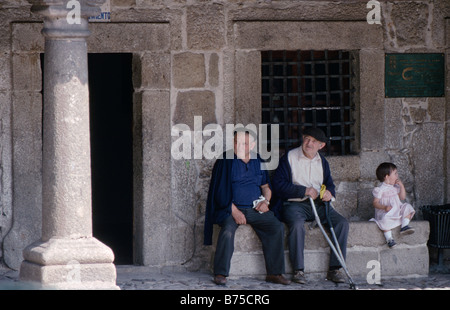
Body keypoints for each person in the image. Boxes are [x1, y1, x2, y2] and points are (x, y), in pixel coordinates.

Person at [204, 128, 290, 286]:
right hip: (230, 209)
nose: (238, 146)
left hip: (255, 208)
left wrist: (266, 202)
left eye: (243, 143)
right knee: (227, 231)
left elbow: (266, 186)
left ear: (252, 145)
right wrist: (235, 211)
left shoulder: (258, 160)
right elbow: (219, 192)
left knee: (276, 227)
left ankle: (274, 273)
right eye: (236, 142)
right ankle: (221, 273)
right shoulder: (225, 160)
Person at [271, 127, 349, 285]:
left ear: (321, 146)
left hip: (318, 205)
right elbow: (278, 185)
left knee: (342, 223)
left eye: (314, 141)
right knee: (297, 225)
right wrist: (303, 190)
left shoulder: (322, 161)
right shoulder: (290, 157)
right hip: (294, 204)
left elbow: (329, 184)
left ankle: (335, 268)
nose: (309, 143)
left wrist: (328, 193)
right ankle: (298, 270)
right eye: (307, 139)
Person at [371, 162, 415, 248]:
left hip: (397, 211)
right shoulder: (380, 190)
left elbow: (402, 197)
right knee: (384, 220)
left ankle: (404, 226)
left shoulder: (395, 187)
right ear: (387, 176)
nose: (397, 176)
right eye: (395, 173)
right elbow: (375, 203)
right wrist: (384, 207)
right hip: (387, 212)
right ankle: (389, 239)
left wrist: (401, 186)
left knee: (407, 207)